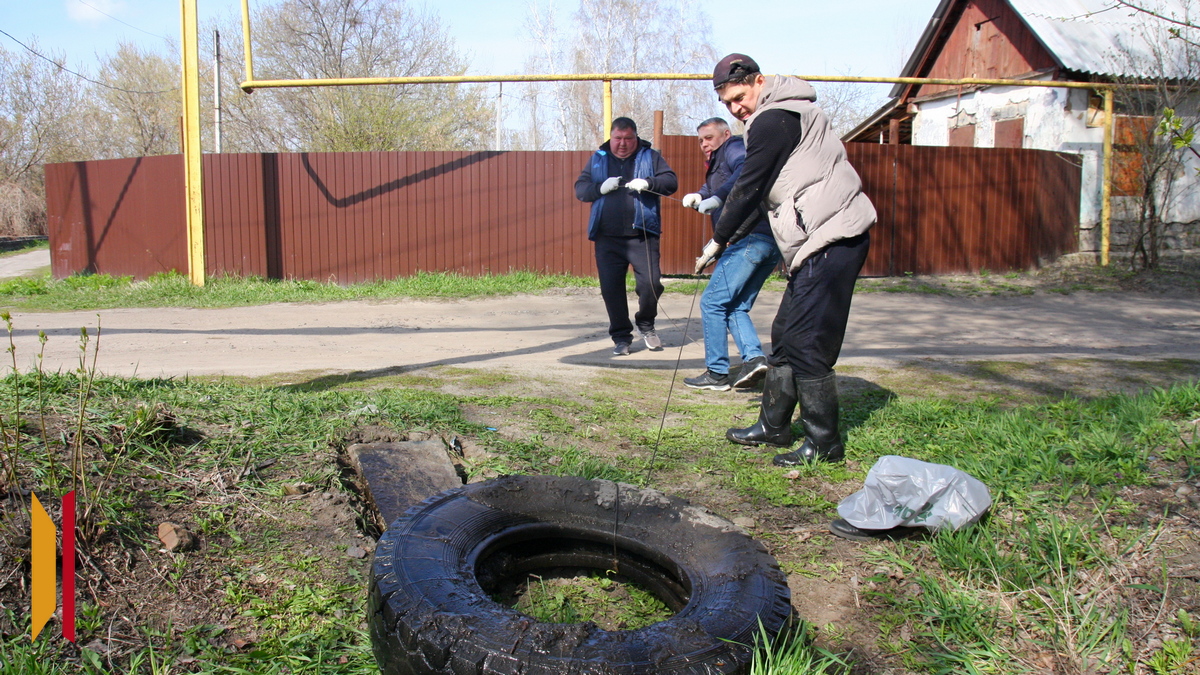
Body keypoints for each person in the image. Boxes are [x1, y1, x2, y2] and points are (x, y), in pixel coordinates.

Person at [695, 54, 876, 466]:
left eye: (739, 97)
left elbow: (749, 185)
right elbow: (760, 193)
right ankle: (773, 426)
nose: (736, 108)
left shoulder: (775, 117)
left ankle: (824, 443)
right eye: (727, 103)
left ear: (759, 81)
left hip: (835, 237)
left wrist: (719, 239)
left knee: (808, 341)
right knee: (785, 333)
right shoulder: (782, 114)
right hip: (817, 241)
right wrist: (725, 237)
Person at [681, 118, 781, 391]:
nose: (704, 144)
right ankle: (755, 361)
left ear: (725, 134)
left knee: (712, 303)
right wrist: (701, 194)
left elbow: (745, 170)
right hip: (767, 243)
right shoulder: (719, 161)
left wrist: (717, 198)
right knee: (735, 306)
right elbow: (722, 185)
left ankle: (717, 373)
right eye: (700, 140)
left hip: (748, 240)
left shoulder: (734, 147)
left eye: (709, 138)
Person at [575, 117, 678, 356]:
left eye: (628, 138)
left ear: (636, 138)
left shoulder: (650, 156)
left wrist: (649, 183)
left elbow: (671, 181)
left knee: (651, 284)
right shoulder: (598, 158)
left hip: (642, 235)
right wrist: (600, 188)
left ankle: (646, 324)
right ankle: (621, 337)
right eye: (618, 138)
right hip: (606, 237)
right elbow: (581, 189)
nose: (622, 143)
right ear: (611, 137)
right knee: (611, 289)